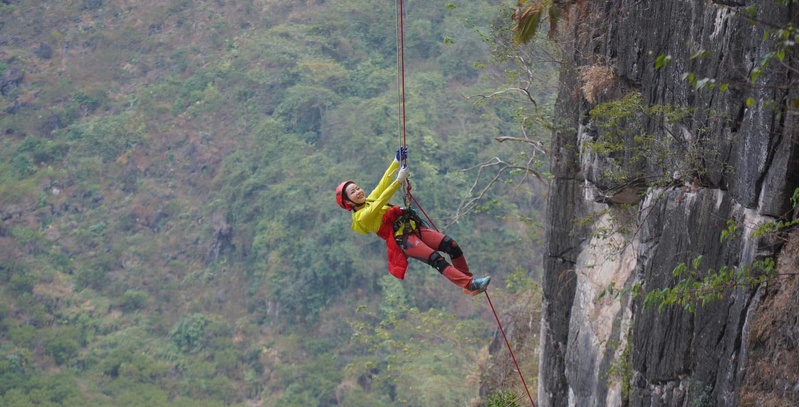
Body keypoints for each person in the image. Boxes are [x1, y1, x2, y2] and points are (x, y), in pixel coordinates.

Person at [335, 147, 491, 295]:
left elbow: (382, 184)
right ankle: (470, 284)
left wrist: (396, 162)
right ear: (348, 202)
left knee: (451, 245)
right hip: (403, 240)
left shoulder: (368, 200)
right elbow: (381, 201)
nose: (358, 192)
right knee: (436, 259)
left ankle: (469, 283)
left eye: (357, 188)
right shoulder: (362, 216)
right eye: (353, 192)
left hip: (411, 227)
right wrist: (398, 181)